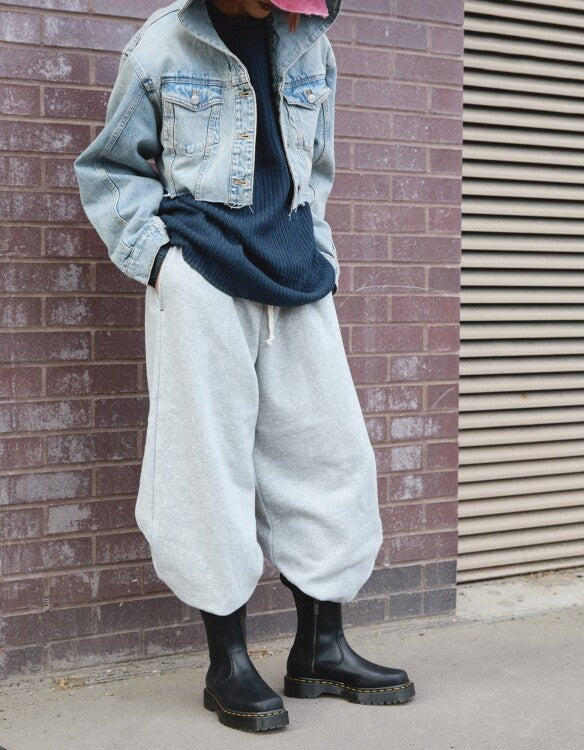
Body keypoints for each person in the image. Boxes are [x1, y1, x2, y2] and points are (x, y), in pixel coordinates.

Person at [74, 0, 415, 733]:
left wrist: (321, 255)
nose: (287, 9)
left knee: (331, 455)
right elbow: (108, 171)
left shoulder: (311, 45)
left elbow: (315, 168)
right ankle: (226, 662)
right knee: (206, 465)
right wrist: (163, 265)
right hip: (200, 276)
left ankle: (320, 649)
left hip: (296, 275)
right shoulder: (161, 46)